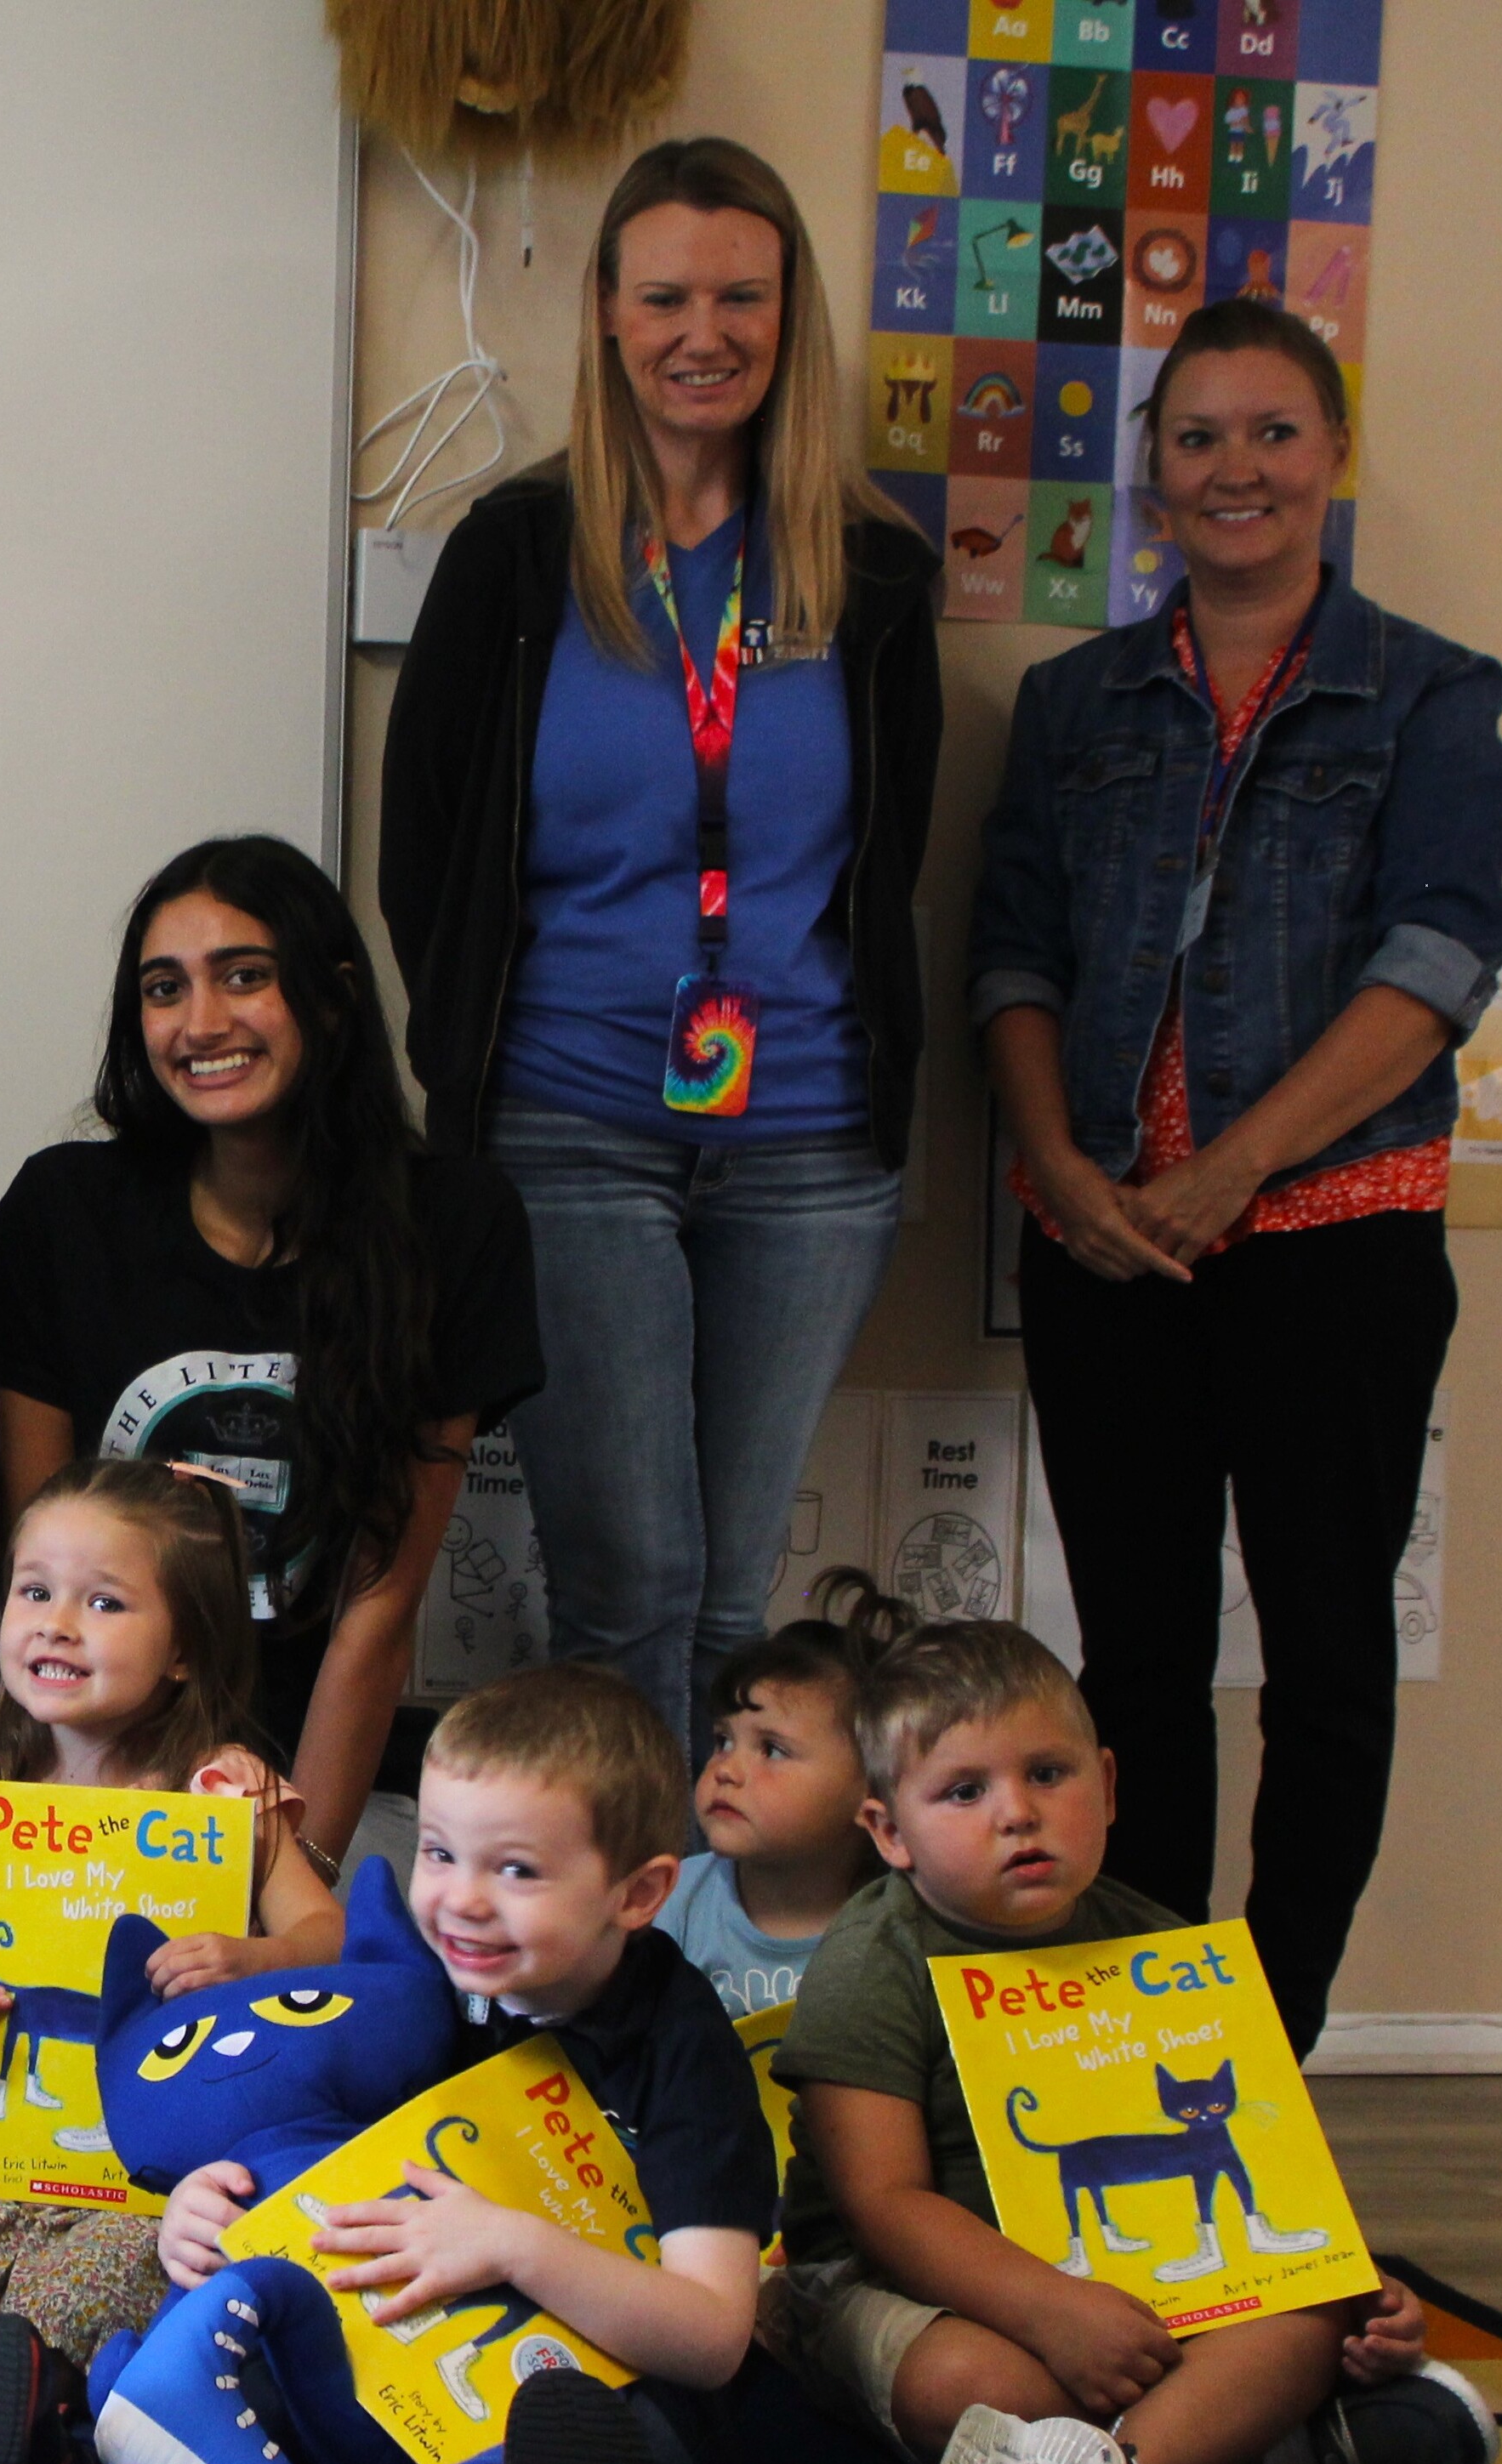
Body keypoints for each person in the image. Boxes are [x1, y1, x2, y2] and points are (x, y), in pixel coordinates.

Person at [976, 298, 1502, 2060]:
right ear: (1153, 470)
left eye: (1274, 432)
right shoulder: (1072, 704)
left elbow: (1440, 952)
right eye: (1200, 436)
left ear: (1333, 455)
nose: (1238, 469)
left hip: (1334, 1250)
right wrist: (1059, 1161)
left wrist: (1235, 1169)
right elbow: (1013, 952)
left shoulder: (1433, 693)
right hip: (1102, 1252)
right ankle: (1145, 2027)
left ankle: (1263, 2044)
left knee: (1325, 1665)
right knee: (1132, 1669)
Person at [381, 137, 941, 1760]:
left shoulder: (873, 575)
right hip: (569, 1123)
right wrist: (464, 1073)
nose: (704, 331)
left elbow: (887, 853)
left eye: (741, 297)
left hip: (808, 1142)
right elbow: (425, 855)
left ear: (789, 316)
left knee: (722, 1598)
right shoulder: (514, 555)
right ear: (610, 319)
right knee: (626, 1577)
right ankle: (601, 1958)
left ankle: (690, 1956)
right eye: (666, 296)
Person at [65, 1664, 772, 2464]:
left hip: (581, 2378)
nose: (461, 1901)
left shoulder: (678, 2046)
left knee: (613, 2444)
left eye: (518, 1871)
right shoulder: (419, 1992)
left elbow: (712, 2337)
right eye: (439, 1853)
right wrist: (195, 2209)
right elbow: (299, 2148)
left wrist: (514, 2245)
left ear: (638, 1892)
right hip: (395, 2358)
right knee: (219, 2346)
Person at [767, 1618, 1499, 2464]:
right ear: (888, 1832)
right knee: (968, 2382)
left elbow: (1266, 2159)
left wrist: (1346, 2277)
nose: (1016, 1813)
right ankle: (1273, 2443)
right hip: (902, 2281)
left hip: (1125, 2289)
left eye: (1048, 1774)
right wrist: (1051, 2313)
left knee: (1308, 2320)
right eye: (963, 1791)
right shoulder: (876, 1958)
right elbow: (882, 2205)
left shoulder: (1158, 1948)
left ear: (1108, 1787)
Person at [0, 837, 539, 1871]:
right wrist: (59, 1852)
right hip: (92, 1773)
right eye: (164, 988)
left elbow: (378, 1604)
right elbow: (34, 1577)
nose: (201, 1023)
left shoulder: (453, 1223)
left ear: (334, 996)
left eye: (245, 977)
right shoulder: (65, 1212)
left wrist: (293, 1881)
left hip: (304, 1777)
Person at [0, 1462, 347, 2388]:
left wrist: (252, 1957)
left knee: (118, 2293)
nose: (56, 1623)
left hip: (154, 2184)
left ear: (184, 1649)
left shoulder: (221, 1792)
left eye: (104, 1603)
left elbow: (330, 1943)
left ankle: (3, 2403)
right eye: (35, 1591)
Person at [672, 1565, 912, 2015]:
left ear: (872, 1792)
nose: (726, 1769)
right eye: (723, 1740)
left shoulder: (905, 1925)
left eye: (773, 1750)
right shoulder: (674, 1903)